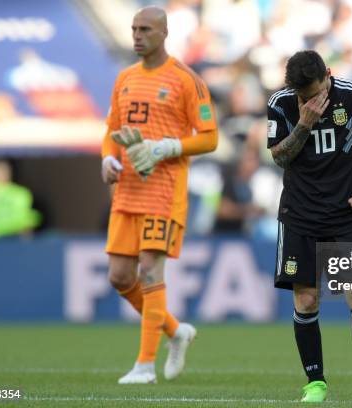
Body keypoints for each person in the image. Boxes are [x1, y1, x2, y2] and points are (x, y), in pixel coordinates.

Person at [267, 50, 352, 403]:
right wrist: (304, 123)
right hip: (298, 215)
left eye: (312, 94)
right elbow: (279, 157)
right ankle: (315, 383)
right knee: (308, 299)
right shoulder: (282, 103)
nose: (307, 101)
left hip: (342, 215)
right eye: (301, 96)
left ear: (327, 75)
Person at [100, 6, 218, 384]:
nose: (137, 36)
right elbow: (111, 129)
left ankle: (145, 366)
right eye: (134, 29)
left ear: (164, 33)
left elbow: (210, 137)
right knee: (120, 277)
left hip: (164, 192)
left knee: (150, 269)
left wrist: (165, 147)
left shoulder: (187, 80)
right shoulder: (124, 79)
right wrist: (107, 158)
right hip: (127, 190)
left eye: (145, 29)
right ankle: (175, 330)